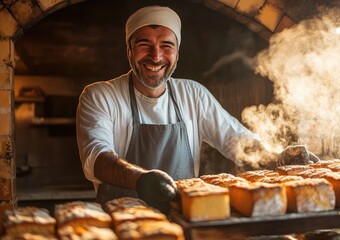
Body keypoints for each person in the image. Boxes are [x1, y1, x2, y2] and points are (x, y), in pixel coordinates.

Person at [76, 5, 319, 213]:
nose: (156, 56)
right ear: (129, 50)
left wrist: (278, 159)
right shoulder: (100, 96)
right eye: (144, 44)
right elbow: (97, 157)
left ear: (177, 54)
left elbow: (236, 140)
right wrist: (141, 179)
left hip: (185, 219)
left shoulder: (193, 94)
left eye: (166, 45)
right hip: (122, 222)